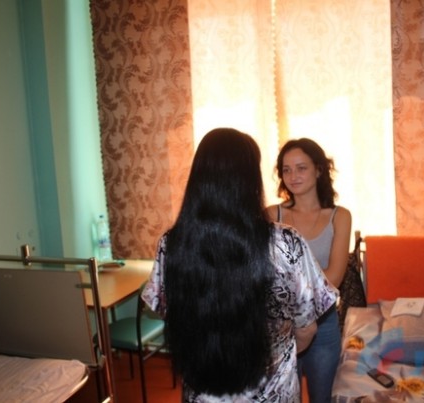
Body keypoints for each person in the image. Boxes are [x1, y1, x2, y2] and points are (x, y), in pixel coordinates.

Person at [141, 128, 337, 402]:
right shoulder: (286, 243)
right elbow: (307, 327)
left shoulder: (172, 243)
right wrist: (278, 352)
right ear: (249, 180)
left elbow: (167, 311)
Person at [266, 137, 352, 403]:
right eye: (287, 170)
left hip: (323, 323)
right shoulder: (271, 215)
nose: (293, 176)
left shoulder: (340, 216)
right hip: (280, 324)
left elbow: (334, 278)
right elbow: (267, 276)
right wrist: (312, 277)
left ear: (318, 170)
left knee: (322, 397)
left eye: (301, 168)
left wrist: (289, 281)